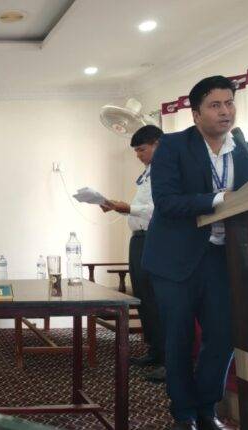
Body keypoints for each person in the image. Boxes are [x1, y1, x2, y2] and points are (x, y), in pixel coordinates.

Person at [142, 76, 248, 430]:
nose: (225, 111)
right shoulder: (173, 147)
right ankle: (184, 413)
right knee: (178, 338)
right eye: (215, 105)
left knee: (223, 337)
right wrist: (218, 199)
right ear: (196, 114)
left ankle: (207, 409)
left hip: (224, 260)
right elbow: (166, 202)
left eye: (229, 103)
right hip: (175, 259)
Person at [100, 124, 165, 383]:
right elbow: (142, 206)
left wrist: (127, 208)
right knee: (143, 297)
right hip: (139, 239)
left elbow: (158, 209)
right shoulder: (148, 172)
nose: (138, 155)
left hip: (156, 239)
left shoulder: (167, 171)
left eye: (142, 149)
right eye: (136, 151)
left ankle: (168, 359)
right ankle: (154, 350)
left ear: (158, 144)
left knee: (158, 299)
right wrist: (119, 207)